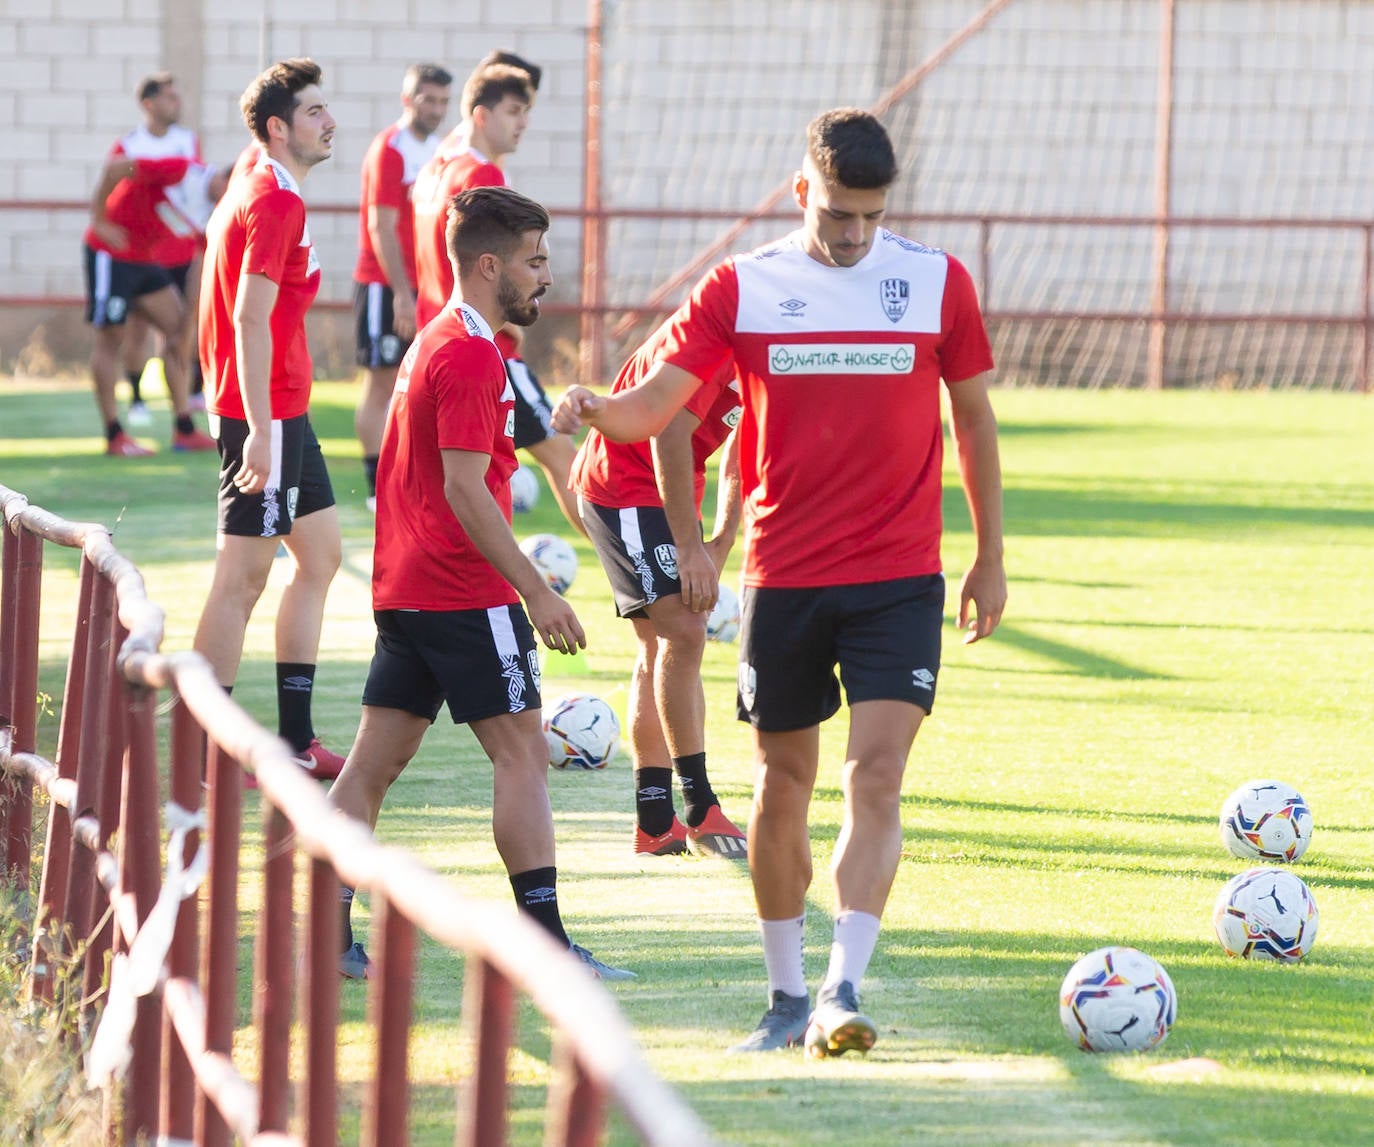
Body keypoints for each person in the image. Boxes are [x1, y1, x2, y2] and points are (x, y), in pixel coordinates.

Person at [552, 108, 1006, 1056]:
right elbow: (653, 412)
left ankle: (844, 986)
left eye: (869, 218)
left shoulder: (935, 283)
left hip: (899, 580)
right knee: (781, 785)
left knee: (876, 775)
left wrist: (989, 553)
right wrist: (594, 406)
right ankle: (786, 994)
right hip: (787, 581)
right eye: (838, 213)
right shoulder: (743, 289)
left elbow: (972, 418)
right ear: (804, 190)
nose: (852, 236)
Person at [328, 185, 632, 983]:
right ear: (489, 264)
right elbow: (466, 489)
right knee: (522, 752)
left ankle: (326, 935)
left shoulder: (444, 336)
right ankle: (546, 944)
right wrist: (536, 588)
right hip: (462, 590)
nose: (546, 276)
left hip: (409, 586)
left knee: (371, 765)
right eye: (534, 261)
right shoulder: (467, 352)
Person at [191, 58, 347, 780]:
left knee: (319, 557)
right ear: (280, 128)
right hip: (266, 415)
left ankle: (294, 738)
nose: (330, 122)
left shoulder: (259, 179)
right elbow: (250, 315)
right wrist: (257, 426)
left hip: (286, 408)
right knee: (242, 578)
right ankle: (202, 749)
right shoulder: (273, 199)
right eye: (314, 112)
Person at [570, 317, 749, 859]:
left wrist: (719, 542)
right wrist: (691, 548)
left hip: (666, 490)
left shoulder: (782, 348)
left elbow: (745, 450)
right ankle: (699, 807)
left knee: (663, 642)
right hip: (624, 486)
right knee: (686, 633)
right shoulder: (722, 338)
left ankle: (655, 821)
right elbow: (666, 433)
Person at [416, 58, 585, 536]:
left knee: (463, 477)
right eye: (515, 111)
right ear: (483, 114)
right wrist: (512, 323)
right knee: (563, 455)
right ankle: (636, 577)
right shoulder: (481, 172)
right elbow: (498, 263)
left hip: (439, 339)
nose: (524, 124)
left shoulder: (435, 168)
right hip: (485, 343)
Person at [82, 72, 213, 456]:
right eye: (169, 97)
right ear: (149, 103)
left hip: (148, 256)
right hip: (113, 255)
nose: (177, 103)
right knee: (112, 338)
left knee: (178, 330)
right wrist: (99, 221)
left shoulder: (189, 149)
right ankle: (114, 435)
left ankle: (183, 428)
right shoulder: (153, 155)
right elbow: (111, 172)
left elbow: (186, 212)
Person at [352, 62, 453, 513]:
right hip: (386, 285)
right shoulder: (389, 149)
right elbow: (381, 225)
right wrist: (400, 293)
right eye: (427, 99)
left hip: (427, 287)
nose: (435, 109)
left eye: (442, 101)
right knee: (382, 382)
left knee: (418, 385)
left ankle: (410, 478)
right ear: (407, 99)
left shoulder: (439, 150)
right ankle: (375, 488)